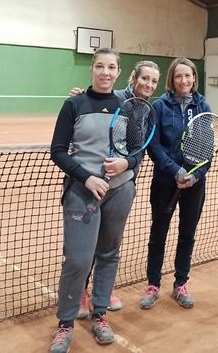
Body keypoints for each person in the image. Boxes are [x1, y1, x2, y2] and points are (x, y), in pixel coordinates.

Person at [49, 48, 141, 351]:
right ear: (92, 69)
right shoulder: (74, 104)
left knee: (109, 253)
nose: (105, 72)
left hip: (120, 190)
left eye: (111, 67)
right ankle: (65, 323)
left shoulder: (127, 107)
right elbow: (58, 151)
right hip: (82, 190)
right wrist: (87, 177)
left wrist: (126, 164)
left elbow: (137, 151)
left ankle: (100, 314)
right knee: (78, 259)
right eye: (100, 66)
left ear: (118, 72)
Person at [71, 60, 161, 319]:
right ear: (133, 77)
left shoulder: (147, 110)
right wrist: (82, 96)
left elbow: (139, 149)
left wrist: (127, 167)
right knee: (88, 243)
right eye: (144, 78)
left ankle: (103, 289)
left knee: (110, 241)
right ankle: (80, 292)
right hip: (95, 184)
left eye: (153, 81)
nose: (148, 84)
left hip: (125, 183)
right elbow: (92, 108)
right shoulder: (116, 98)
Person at [139, 57, 211, 310]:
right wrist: (176, 171)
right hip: (164, 182)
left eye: (188, 75)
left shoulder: (202, 105)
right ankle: (153, 284)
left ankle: (181, 283)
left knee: (187, 234)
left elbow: (207, 148)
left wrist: (195, 175)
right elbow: (153, 145)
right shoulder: (159, 106)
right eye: (179, 76)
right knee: (158, 234)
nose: (184, 80)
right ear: (172, 79)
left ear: (194, 78)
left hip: (194, 184)